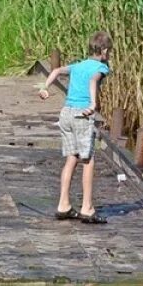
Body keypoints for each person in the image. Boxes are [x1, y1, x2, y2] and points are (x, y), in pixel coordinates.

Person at [37, 31, 113, 224]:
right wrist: (93, 104)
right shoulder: (101, 66)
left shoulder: (78, 65)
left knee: (72, 157)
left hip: (66, 113)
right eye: (109, 51)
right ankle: (87, 207)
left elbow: (55, 71)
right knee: (88, 160)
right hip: (82, 114)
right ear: (104, 51)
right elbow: (93, 80)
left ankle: (63, 204)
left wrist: (45, 87)